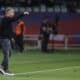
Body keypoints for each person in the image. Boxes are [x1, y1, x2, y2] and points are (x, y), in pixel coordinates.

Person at [0, 7, 29, 76]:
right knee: (7, 54)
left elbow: (7, 30)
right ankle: (5, 69)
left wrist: (11, 37)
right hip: (4, 39)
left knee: (9, 53)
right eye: (12, 12)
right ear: (8, 12)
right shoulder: (6, 19)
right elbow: (14, 19)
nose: (13, 13)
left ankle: (2, 67)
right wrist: (23, 14)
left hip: (6, 38)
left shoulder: (6, 20)